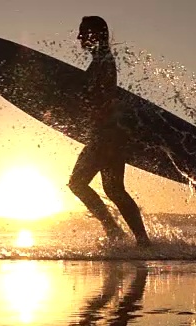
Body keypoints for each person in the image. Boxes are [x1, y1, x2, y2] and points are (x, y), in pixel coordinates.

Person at [68, 16, 151, 246]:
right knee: (114, 189)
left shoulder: (103, 61)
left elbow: (102, 100)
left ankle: (114, 230)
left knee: (77, 183)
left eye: (83, 32)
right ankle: (142, 241)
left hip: (105, 135)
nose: (78, 37)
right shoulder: (102, 59)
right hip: (112, 135)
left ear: (95, 34)